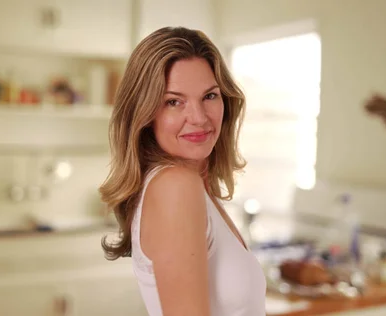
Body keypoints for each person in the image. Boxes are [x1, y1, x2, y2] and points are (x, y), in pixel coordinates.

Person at [99, 26, 266, 316]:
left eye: (210, 96)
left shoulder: (195, 185)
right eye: (174, 101)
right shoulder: (175, 186)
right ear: (146, 113)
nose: (199, 117)